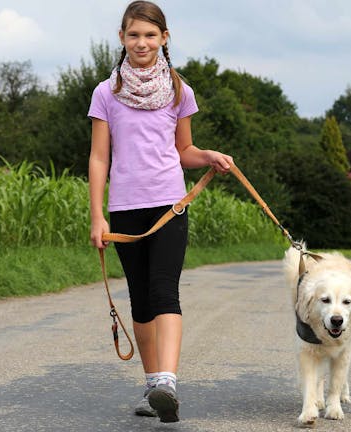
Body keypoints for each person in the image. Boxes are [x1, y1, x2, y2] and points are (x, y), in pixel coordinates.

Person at [87, 0, 233, 423]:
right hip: (125, 209)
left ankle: (168, 380)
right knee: (140, 298)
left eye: (150, 35)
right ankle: (153, 386)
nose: (142, 42)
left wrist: (207, 155)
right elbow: (99, 158)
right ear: (121, 38)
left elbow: (183, 150)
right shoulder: (106, 92)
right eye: (134, 35)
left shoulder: (179, 91)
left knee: (165, 289)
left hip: (170, 205)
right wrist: (97, 215)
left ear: (164, 39)